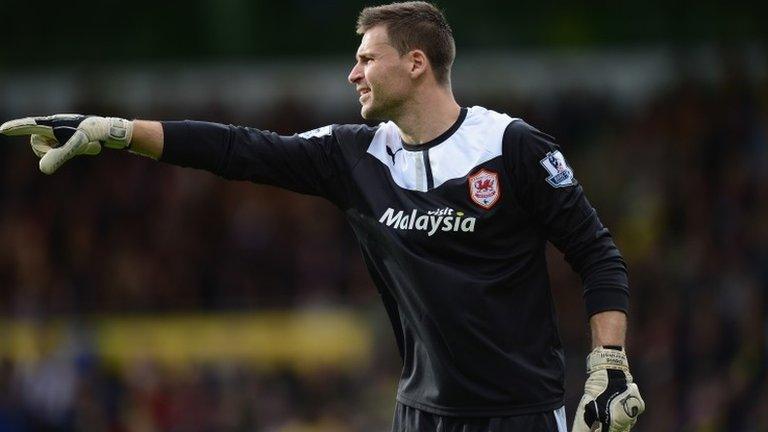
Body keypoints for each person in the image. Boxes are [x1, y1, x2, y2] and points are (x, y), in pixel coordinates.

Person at [0, 2, 645, 431]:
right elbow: (236, 149)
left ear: (415, 63)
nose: (352, 71)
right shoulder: (352, 155)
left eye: (367, 57)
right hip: (421, 415)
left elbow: (598, 253)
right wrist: (116, 131)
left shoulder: (513, 148)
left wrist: (607, 364)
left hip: (523, 417)